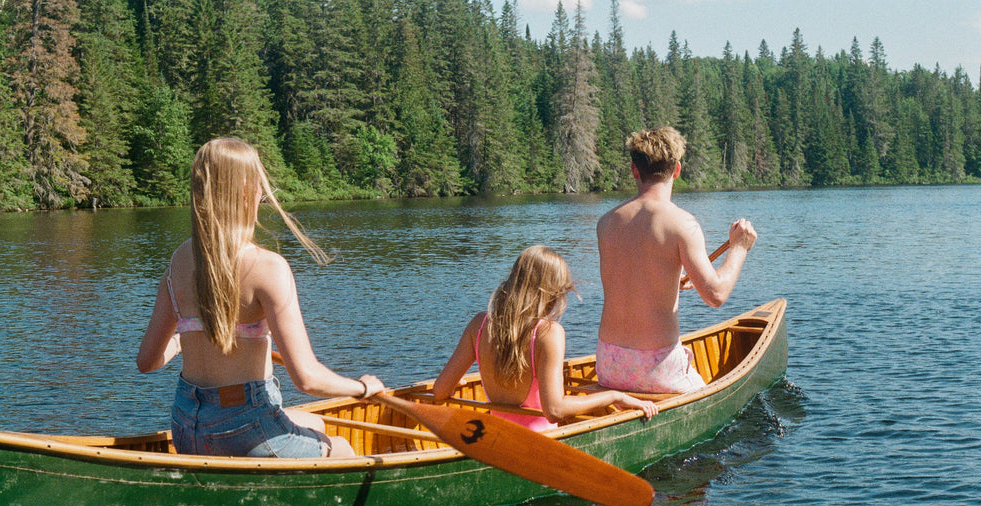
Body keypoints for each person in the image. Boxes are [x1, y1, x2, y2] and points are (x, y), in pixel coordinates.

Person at [136, 137, 384, 458]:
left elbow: (147, 361)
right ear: (245, 191)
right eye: (260, 187)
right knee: (343, 448)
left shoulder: (178, 262)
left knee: (317, 424)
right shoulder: (268, 268)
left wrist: (187, 337)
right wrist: (363, 388)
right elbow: (307, 378)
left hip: (188, 427)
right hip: (244, 431)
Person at [596, 126, 758, 393]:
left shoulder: (606, 223)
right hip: (656, 369)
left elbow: (636, 275)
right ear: (677, 170)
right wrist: (739, 248)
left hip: (609, 365)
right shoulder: (682, 224)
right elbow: (715, 295)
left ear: (634, 170)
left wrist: (673, 281)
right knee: (711, 393)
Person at [432, 245, 658, 431]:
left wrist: (456, 382)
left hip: (497, 439)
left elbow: (440, 391)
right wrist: (612, 396)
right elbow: (555, 410)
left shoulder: (479, 324)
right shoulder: (548, 333)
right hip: (538, 445)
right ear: (551, 293)